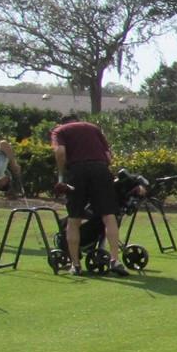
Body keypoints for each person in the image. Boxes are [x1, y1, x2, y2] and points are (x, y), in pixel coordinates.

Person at [50, 116, 130, 277]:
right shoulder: (93, 128)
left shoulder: (59, 131)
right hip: (100, 168)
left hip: (77, 171)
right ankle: (115, 259)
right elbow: (108, 156)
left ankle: (75, 265)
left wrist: (61, 175)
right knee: (109, 215)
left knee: (74, 219)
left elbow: (60, 152)